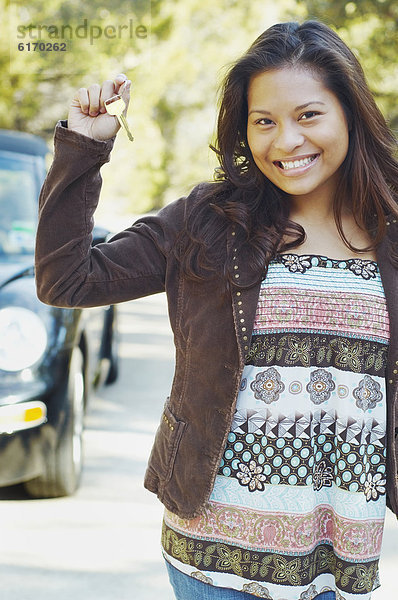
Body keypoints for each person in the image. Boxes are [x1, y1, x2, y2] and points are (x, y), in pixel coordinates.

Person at [35, 19, 398, 600]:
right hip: (211, 556)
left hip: (339, 555)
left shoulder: (391, 232)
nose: (285, 142)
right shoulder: (210, 220)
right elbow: (68, 281)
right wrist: (84, 147)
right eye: (264, 122)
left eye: (308, 115)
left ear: (350, 114)